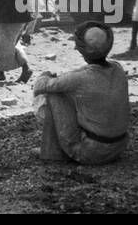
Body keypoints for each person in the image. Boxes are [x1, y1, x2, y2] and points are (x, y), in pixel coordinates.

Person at [33, 21, 129, 165]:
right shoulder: (117, 68)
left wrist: (44, 75)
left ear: (81, 50)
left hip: (90, 153)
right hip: (119, 147)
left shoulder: (80, 78)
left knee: (55, 95)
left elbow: (41, 86)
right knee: (75, 95)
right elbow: (84, 76)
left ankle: (52, 152)